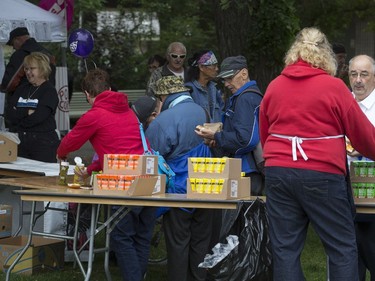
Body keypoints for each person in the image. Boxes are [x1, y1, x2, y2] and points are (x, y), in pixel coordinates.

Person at [259, 27, 375, 281]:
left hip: (279, 172)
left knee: (285, 250)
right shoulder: (334, 88)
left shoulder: (275, 86)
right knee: (342, 247)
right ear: (326, 54)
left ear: (294, 52)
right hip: (322, 173)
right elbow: (364, 137)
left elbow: (265, 132)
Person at [56, 68, 156, 281]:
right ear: (110, 89)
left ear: (86, 94)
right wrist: (91, 170)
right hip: (149, 179)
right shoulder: (128, 111)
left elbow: (70, 142)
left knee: (121, 237)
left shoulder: (94, 115)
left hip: (124, 183)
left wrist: (60, 155)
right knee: (141, 237)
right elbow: (113, 153)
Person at [145, 75, 213, 281]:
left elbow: (151, 154)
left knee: (178, 243)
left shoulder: (164, 120)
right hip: (206, 185)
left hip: (179, 190)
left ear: (164, 96)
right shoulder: (203, 111)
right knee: (201, 241)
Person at [195, 55, 264, 195]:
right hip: (246, 170)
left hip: (248, 172)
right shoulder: (248, 96)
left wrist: (216, 136)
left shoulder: (245, 98)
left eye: (229, 78)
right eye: (224, 79)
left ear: (244, 74)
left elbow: (246, 140)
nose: (226, 84)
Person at [347, 54, 375, 281]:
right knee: (348, 260)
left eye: (364, 74)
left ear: (374, 77)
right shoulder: (341, 102)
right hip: (344, 192)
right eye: (354, 74)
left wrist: (363, 148)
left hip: (373, 195)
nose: (358, 80)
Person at [6, 52, 59, 163]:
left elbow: (39, 117)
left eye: (32, 69)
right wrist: (27, 112)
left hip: (43, 145)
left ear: (42, 69)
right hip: (21, 142)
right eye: (26, 69)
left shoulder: (49, 91)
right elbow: (9, 114)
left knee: (42, 178)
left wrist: (19, 118)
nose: (28, 72)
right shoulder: (22, 89)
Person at [1, 27, 56, 95]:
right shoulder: (48, 53)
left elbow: (10, 83)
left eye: (13, 44)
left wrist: (3, 87)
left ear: (17, 39)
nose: (13, 47)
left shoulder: (21, 54)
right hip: (47, 96)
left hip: (26, 98)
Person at [185, 50, 223, 122]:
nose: (217, 69)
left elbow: (221, 110)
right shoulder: (188, 90)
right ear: (201, 67)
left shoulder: (214, 89)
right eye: (214, 66)